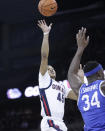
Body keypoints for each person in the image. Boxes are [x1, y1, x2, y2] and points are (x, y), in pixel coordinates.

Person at [37, 20, 77, 131]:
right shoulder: (44, 80)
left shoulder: (62, 86)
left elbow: (79, 96)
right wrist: (46, 34)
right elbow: (44, 57)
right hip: (49, 122)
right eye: (49, 69)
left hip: (61, 123)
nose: (51, 70)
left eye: (53, 68)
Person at [68, 27, 105, 131]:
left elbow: (71, 73)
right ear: (99, 73)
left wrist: (80, 48)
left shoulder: (80, 90)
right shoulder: (102, 86)